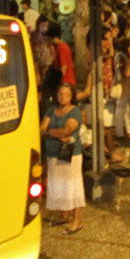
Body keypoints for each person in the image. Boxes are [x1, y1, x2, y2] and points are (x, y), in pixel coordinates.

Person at [40, 84, 85, 233]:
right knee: (58, 185)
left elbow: (67, 131)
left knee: (73, 186)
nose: (62, 97)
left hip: (70, 154)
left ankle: (76, 220)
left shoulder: (75, 111)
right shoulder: (51, 110)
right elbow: (41, 129)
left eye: (66, 94)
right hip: (53, 153)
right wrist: (55, 133)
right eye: (60, 94)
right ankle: (64, 215)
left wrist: (49, 132)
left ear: (71, 96)